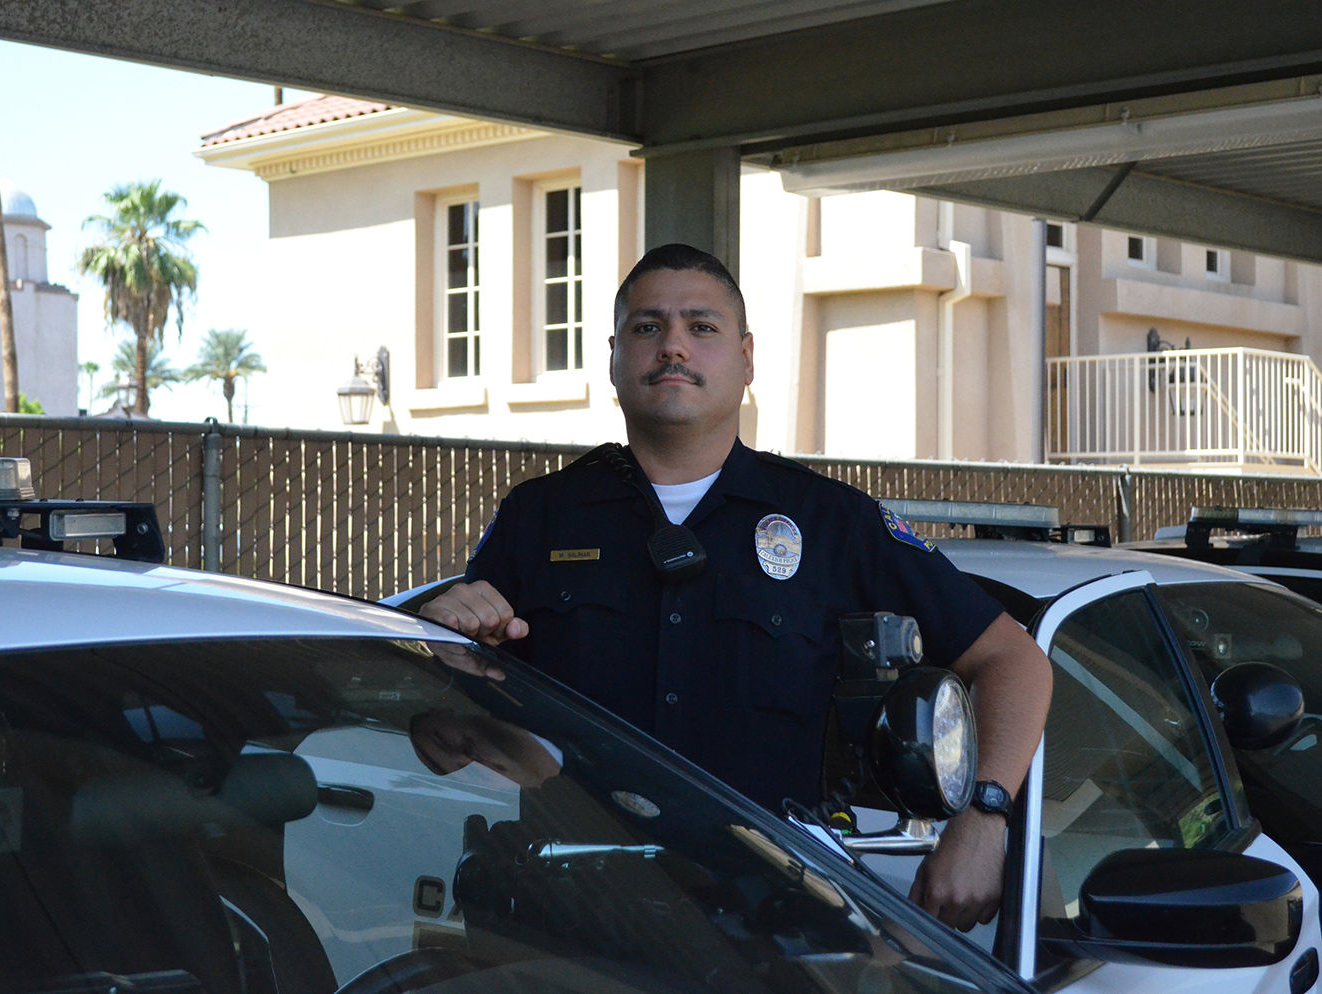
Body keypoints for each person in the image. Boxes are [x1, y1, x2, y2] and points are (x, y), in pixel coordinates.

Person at [420, 243, 1053, 932]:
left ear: (747, 358)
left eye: (702, 327)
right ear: (612, 356)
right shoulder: (538, 517)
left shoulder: (831, 521)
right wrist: (435, 638)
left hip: (764, 933)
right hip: (564, 925)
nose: (672, 347)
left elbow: (1013, 662)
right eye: (646, 327)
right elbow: (445, 725)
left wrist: (985, 818)